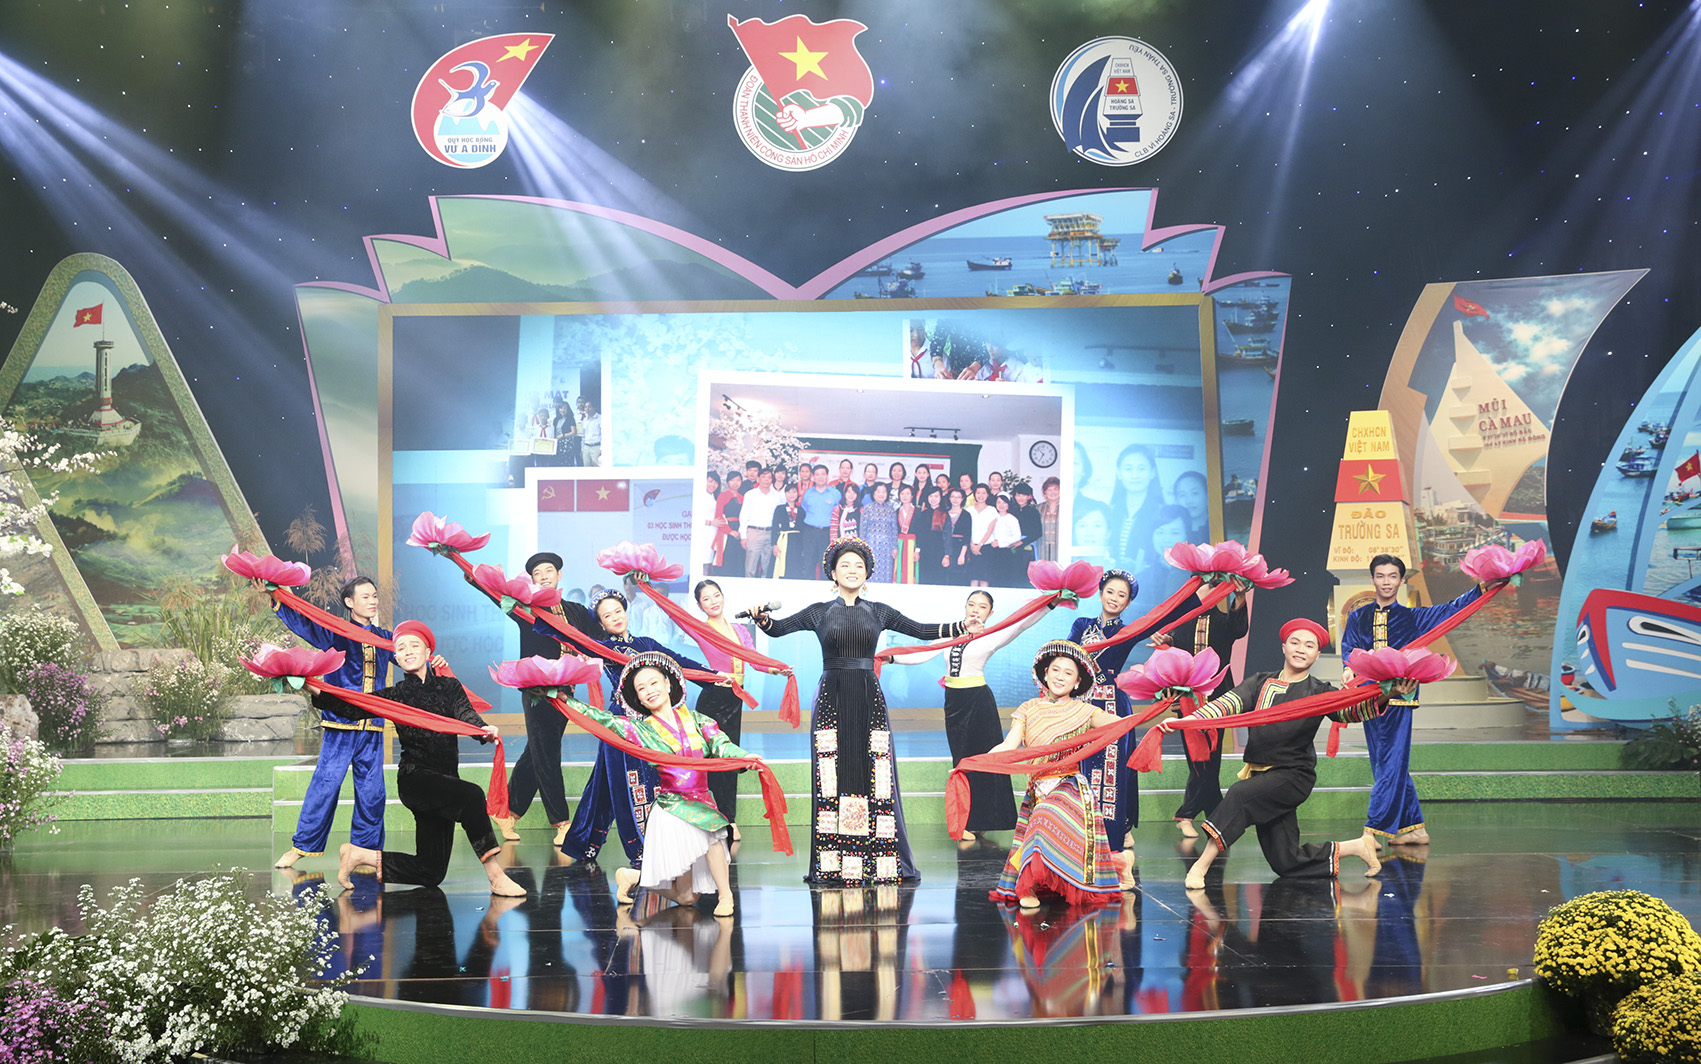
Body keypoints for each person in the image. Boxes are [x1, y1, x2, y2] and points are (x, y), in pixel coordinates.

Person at [749, 538, 978, 883]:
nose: (852, 570)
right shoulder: (819, 611)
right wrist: (762, 619)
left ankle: (880, 863)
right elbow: (779, 629)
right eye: (845, 565)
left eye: (858, 565)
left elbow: (919, 630)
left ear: (867, 573)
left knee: (876, 775)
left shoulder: (879, 611)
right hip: (832, 697)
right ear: (833, 573)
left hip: (869, 696)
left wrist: (961, 628)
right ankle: (833, 865)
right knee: (832, 775)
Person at [1157, 619, 1396, 888]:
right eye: (1295, 642)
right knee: (1287, 862)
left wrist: (1388, 693)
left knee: (1239, 794)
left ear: (1317, 655)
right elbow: (1225, 704)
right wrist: (1186, 722)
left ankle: (1201, 866)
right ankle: (1357, 847)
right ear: (1284, 647)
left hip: (1293, 776)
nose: (1301, 649)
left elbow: (1351, 711)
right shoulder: (1259, 682)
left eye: (1309, 645)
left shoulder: (1320, 692)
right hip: (1261, 775)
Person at [328, 621, 525, 896]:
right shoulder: (396, 694)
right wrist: (311, 687)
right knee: (471, 796)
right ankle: (495, 876)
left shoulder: (449, 686)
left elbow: (466, 714)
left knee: (431, 872)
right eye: (401, 648)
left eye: (414, 645)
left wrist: (483, 730)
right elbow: (352, 706)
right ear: (396, 658)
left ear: (428, 652)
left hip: (445, 781)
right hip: (416, 780)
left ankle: (359, 855)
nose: (408, 651)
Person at [567, 652, 761, 915]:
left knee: (688, 897)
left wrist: (743, 757)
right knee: (714, 829)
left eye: (654, 683)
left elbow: (721, 745)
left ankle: (636, 877)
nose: (649, 691)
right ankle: (725, 897)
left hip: (702, 799)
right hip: (672, 806)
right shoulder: (642, 730)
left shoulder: (698, 720)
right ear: (638, 698)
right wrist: (562, 700)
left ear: (668, 684)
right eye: (641, 689)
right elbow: (604, 720)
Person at [558, 590, 720, 869]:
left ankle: (586, 843)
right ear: (601, 623)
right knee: (629, 785)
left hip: (652, 720)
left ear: (626, 611)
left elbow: (678, 660)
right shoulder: (602, 647)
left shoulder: (646, 643)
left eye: (618, 611)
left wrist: (713, 677)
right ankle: (641, 850)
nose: (615, 618)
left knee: (622, 783)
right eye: (607, 615)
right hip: (621, 723)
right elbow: (572, 641)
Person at [1340, 554, 1490, 849]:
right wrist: (1348, 668)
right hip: (1370, 698)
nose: (1386, 582)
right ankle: (1415, 830)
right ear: (1372, 579)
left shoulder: (1413, 617)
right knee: (1386, 762)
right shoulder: (1358, 617)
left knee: (1390, 762)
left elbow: (1452, 610)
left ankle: (1374, 831)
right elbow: (1350, 648)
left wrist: (1482, 589)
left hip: (1401, 696)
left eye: (1392, 576)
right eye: (1380, 576)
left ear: (1401, 581)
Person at [987, 640, 1135, 909]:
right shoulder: (1028, 708)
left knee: (1044, 818)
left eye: (1068, 673)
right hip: (1038, 787)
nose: (1060, 677)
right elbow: (1009, 745)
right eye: (1055, 670)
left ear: (1077, 682)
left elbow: (1123, 724)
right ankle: (1119, 863)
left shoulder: (1085, 711)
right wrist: (977, 762)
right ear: (1045, 673)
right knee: (1045, 828)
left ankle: (1028, 886)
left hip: (1070, 786)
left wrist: (1161, 711)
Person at [902, 590, 1057, 839]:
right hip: (954, 703)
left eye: (982, 606)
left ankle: (983, 821)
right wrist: (888, 659)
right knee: (961, 761)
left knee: (985, 760)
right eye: (971, 604)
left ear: (990, 613)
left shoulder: (992, 635)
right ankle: (967, 820)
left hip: (979, 703)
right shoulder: (952, 633)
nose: (975, 609)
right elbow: (922, 653)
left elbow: (1021, 623)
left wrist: (1051, 603)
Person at [272, 576, 395, 870]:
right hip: (340, 724)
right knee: (325, 786)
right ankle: (302, 847)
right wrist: (277, 599)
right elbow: (304, 624)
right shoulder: (336, 633)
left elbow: (409, 656)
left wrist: (433, 661)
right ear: (349, 602)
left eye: (374, 596)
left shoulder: (385, 638)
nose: (372, 601)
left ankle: (365, 851)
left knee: (372, 792)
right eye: (365, 597)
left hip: (372, 726)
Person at [492, 551, 608, 846]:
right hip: (537, 691)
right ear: (532, 580)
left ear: (559, 575)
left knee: (537, 752)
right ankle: (561, 822)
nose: (543, 577)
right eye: (537, 573)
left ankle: (508, 812)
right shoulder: (527, 609)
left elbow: (599, 638)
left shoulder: (577, 611)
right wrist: (470, 574)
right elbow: (496, 595)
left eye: (548, 571)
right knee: (547, 753)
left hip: (566, 690)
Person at [684, 579, 778, 841]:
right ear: (699, 605)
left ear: (723, 597)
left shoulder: (739, 629)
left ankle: (729, 819)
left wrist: (777, 669)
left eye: (716, 595)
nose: (713, 601)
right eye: (706, 599)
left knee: (730, 761)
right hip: (713, 699)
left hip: (734, 699)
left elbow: (755, 660)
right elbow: (675, 615)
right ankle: (713, 820)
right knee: (712, 762)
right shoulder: (702, 630)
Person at [1150, 590, 1249, 837]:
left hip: (1218, 699)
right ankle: (1207, 816)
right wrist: (1164, 641)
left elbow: (1239, 629)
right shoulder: (1181, 622)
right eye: (1199, 588)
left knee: (1212, 757)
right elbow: (1170, 656)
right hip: (1188, 699)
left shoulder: (1224, 621)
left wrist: (1239, 598)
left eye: (1210, 588)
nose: (1204, 593)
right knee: (1196, 757)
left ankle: (1195, 814)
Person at [1065, 570, 1141, 855]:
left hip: (1111, 705)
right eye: (1110, 592)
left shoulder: (1127, 632)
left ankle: (1114, 829)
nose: (1114, 598)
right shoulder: (1082, 624)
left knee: (1112, 771)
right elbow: (1068, 655)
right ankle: (1081, 827)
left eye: (1122, 595)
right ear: (1100, 594)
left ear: (1128, 603)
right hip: (1081, 704)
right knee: (1079, 767)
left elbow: (1162, 617)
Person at [1109, 444, 1163, 570]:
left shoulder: (1161, 513)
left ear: (1152, 473)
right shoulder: (1110, 511)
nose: (1135, 475)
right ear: (1119, 473)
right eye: (1128, 469)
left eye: (1141, 469)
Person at [740, 466, 785, 580]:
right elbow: (744, 515)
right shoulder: (750, 494)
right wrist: (743, 536)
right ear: (758, 478)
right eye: (763, 477)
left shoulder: (777, 496)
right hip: (754, 532)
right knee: (751, 566)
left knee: (768, 566)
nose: (766, 480)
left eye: (769, 477)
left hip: (771, 533)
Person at [800, 464, 837, 579]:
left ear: (827, 476)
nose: (820, 477)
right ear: (813, 477)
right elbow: (804, 510)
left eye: (823, 474)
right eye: (817, 474)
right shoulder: (808, 493)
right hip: (809, 532)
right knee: (808, 563)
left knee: (826, 565)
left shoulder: (835, 494)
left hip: (827, 533)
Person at [861, 482, 899, 583]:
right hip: (871, 545)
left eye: (884, 492)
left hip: (887, 547)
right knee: (871, 571)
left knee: (886, 574)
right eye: (878, 491)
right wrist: (863, 547)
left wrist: (894, 547)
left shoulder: (891, 510)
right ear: (873, 493)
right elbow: (863, 529)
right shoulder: (867, 508)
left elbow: (894, 530)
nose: (881, 494)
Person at [771, 483, 808, 579]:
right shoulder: (779, 509)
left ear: (797, 494)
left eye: (794, 492)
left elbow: (803, 529)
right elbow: (775, 527)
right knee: (783, 564)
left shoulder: (801, 510)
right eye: (789, 492)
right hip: (783, 540)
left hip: (797, 541)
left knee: (796, 565)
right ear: (785, 494)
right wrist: (774, 544)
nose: (791, 495)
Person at [988, 493, 1024, 586]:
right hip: (993, 551)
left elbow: (1016, 537)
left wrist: (1000, 543)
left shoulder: (1012, 519)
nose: (1001, 505)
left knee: (1004, 578)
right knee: (993, 578)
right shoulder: (993, 517)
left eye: (1004, 502)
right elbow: (988, 532)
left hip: (1006, 552)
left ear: (1008, 504)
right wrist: (992, 541)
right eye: (999, 502)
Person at [967, 482, 996, 587]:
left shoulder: (992, 510)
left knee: (984, 578)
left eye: (983, 493)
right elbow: (967, 529)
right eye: (978, 492)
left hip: (986, 547)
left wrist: (980, 545)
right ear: (974, 494)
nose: (980, 495)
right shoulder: (968, 510)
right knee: (973, 577)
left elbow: (990, 530)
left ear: (987, 495)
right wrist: (972, 545)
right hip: (972, 547)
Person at [943, 487, 973, 585]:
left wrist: (962, 555)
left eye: (958, 497)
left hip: (959, 549)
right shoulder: (943, 513)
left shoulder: (966, 515)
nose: (955, 499)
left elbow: (967, 536)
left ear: (962, 499)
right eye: (953, 496)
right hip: (944, 548)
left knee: (959, 578)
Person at [1011, 483, 1043, 571]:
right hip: (1012, 546)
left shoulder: (1033, 512)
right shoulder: (1011, 511)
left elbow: (1038, 532)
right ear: (1014, 496)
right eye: (1018, 495)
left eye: (1024, 495)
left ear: (1029, 497)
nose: (1020, 498)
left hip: (1027, 548)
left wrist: (1022, 542)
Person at [1173, 470, 1211, 544]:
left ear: (1207, 495)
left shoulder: (1218, 527)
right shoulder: (1172, 532)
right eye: (1182, 495)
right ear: (1176, 500)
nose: (1189, 501)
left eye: (1195, 493)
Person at [894, 484, 918, 583]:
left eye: (907, 494)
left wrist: (917, 550)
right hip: (899, 544)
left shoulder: (918, 511)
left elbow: (921, 532)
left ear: (912, 496)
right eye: (902, 493)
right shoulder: (896, 511)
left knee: (912, 571)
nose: (904, 496)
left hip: (913, 544)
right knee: (899, 569)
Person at [1039, 477, 1062, 562]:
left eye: (1055, 489)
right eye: (1049, 490)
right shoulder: (1039, 508)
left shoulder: (1067, 508)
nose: (1053, 492)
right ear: (1045, 493)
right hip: (1042, 549)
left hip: (1060, 548)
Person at [580, 398, 603, 467]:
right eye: (585, 407)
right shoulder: (584, 420)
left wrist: (602, 449)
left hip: (596, 447)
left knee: (597, 468)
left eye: (589, 407)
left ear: (594, 408)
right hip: (586, 447)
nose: (587, 409)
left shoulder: (600, 418)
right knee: (587, 469)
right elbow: (583, 436)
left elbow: (604, 435)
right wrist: (582, 449)